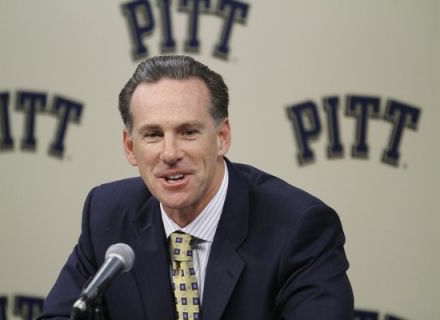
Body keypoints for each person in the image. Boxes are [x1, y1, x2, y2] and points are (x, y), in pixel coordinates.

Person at [39, 55, 354, 319]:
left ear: (222, 137)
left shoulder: (298, 227)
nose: (170, 153)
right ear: (130, 147)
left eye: (188, 132)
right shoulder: (106, 216)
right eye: (152, 134)